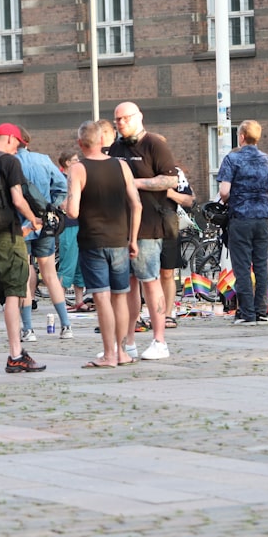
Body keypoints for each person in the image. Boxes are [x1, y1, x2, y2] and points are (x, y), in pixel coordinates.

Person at [65, 120, 142, 368]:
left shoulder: (78, 169)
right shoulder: (121, 166)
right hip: (120, 239)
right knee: (120, 296)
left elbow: (73, 212)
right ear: (102, 141)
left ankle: (109, 354)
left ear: (80, 143)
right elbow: (137, 205)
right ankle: (122, 352)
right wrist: (133, 239)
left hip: (92, 240)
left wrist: (65, 204)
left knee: (101, 297)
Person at [0, 122, 46, 373]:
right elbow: (17, 199)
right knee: (13, 295)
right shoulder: (9, 162)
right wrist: (33, 219)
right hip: (7, 236)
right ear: (11, 139)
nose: (18, 150)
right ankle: (15, 354)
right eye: (18, 145)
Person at [108, 102, 179, 360]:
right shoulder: (115, 149)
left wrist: (133, 183)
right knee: (126, 286)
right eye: (117, 119)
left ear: (139, 117)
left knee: (150, 282)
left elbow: (171, 180)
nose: (121, 123)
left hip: (148, 225)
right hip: (119, 227)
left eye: (126, 118)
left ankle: (159, 340)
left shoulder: (154, 144)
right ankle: (128, 342)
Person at [218, 120, 268, 325]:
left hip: (241, 218)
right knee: (262, 264)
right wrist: (263, 200)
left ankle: (247, 313)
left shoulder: (232, 159)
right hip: (262, 218)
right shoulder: (267, 160)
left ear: (241, 136)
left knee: (242, 266)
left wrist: (237, 199)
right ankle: (262, 311)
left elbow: (224, 192)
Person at [17, 128, 73, 342]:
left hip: (20, 225)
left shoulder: (9, 164)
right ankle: (66, 325)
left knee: (23, 275)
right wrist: (52, 208)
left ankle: (28, 329)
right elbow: (61, 186)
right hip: (44, 224)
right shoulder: (43, 160)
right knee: (50, 274)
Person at [161, 165, 195, 326]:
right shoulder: (138, 167)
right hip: (143, 226)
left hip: (168, 226)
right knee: (143, 275)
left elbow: (189, 199)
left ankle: (167, 314)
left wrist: (169, 193)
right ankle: (143, 314)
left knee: (167, 272)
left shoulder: (175, 172)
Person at [56, 151, 87, 312]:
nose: (78, 162)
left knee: (80, 265)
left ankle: (79, 300)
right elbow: (61, 204)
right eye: (75, 160)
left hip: (81, 223)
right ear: (67, 163)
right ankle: (60, 303)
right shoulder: (62, 180)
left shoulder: (75, 178)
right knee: (68, 263)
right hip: (68, 225)